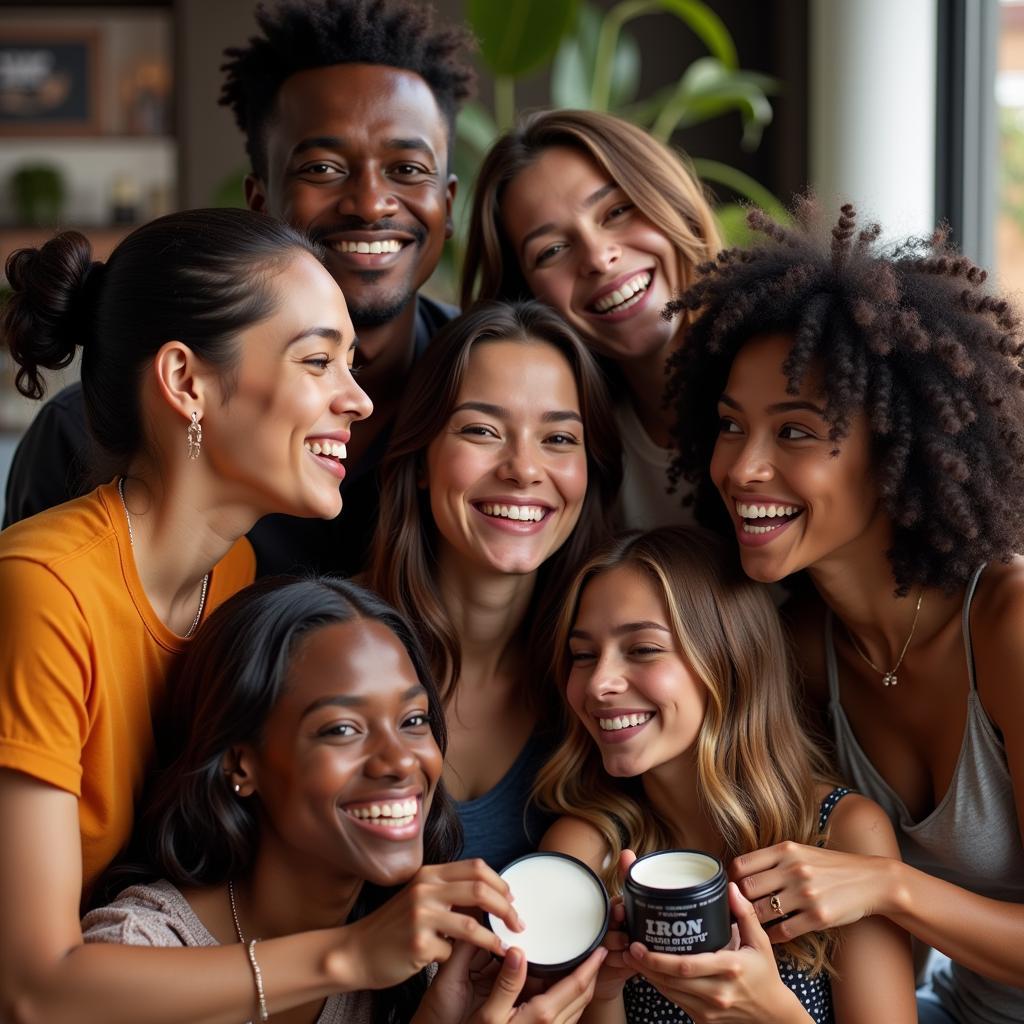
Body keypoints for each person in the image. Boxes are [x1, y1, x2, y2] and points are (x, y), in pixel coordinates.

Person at [0, 208, 375, 1020]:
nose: (359, 400)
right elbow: (32, 988)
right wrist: (352, 957)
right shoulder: (42, 590)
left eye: (351, 362)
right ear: (185, 383)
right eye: (319, 361)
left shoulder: (233, 576)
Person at [666, 200, 1024, 1024]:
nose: (743, 468)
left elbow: (869, 893)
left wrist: (888, 886)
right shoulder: (798, 649)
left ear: (900, 446)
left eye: (795, 432)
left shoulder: (1003, 625)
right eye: (730, 426)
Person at [4, 0, 476, 578]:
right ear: (260, 202)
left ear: (448, 204)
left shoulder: (490, 388)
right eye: (323, 169)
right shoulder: (89, 434)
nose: (370, 203)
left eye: (407, 170)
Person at [81, 575, 606, 1024]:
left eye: (414, 721)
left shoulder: (422, 965)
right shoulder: (141, 944)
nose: (401, 761)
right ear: (241, 764)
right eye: (342, 728)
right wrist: (352, 955)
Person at [535, 526, 916, 1024]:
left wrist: (771, 1014)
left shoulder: (840, 832)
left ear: (730, 659)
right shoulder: (586, 852)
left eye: (643, 649)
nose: (598, 683)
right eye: (583, 655)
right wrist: (603, 997)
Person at [365, 299, 622, 868]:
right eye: (482, 430)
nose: (523, 468)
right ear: (422, 458)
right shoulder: (322, 644)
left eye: (558, 439)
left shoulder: (612, 679)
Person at [461, 109, 720, 530]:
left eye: (616, 212)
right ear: (527, 298)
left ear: (670, 201)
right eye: (551, 250)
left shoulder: (791, 367)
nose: (598, 258)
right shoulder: (563, 458)